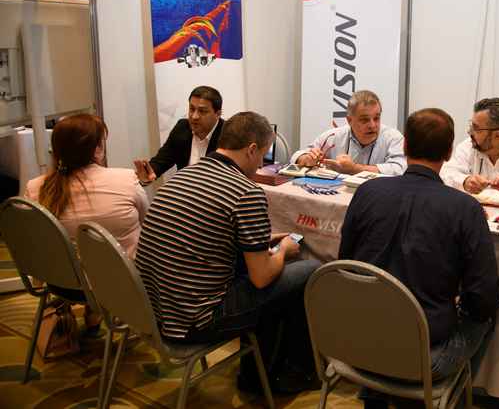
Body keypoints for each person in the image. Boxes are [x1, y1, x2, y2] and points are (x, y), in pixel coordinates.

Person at [135, 112, 320, 394]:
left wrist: (259, 241)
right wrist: (283, 250)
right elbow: (261, 278)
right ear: (251, 149)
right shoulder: (246, 192)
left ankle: (263, 370)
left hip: (154, 310)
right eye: (262, 156)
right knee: (308, 269)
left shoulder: (183, 176)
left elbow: (205, 234)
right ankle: (290, 373)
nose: (261, 165)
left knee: (259, 269)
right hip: (194, 321)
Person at [339, 108, 499, 408]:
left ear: (404, 146)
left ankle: (375, 394)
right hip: (424, 356)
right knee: (490, 305)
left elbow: (345, 263)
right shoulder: (465, 208)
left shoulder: (366, 192)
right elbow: (483, 295)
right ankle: (452, 398)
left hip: (358, 342)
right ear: (449, 152)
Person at [25, 113, 149, 330]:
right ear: (97, 149)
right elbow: (148, 227)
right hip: (120, 284)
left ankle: (92, 311)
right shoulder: (127, 180)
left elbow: (33, 241)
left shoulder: (35, 188)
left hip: (60, 283)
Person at [290, 90, 406, 175]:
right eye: (365, 120)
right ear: (349, 120)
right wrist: (307, 159)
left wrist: (354, 169)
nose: (372, 125)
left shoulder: (393, 138)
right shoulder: (333, 136)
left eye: (376, 118)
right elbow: (298, 155)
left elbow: (400, 169)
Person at [133, 86, 225, 184]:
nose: (194, 116)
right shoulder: (183, 128)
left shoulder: (228, 134)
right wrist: (147, 174)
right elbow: (161, 161)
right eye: (192, 109)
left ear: (218, 114)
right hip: (184, 190)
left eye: (202, 111)